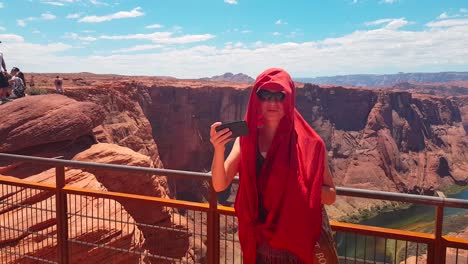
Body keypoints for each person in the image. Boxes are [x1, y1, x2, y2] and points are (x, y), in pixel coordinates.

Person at [210, 68, 336, 264]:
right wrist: (218, 150)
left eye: (279, 96)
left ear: (289, 99)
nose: (272, 102)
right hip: (259, 249)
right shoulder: (246, 142)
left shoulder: (311, 144)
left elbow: (330, 195)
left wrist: (299, 190)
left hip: (296, 249)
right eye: (265, 95)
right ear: (256, 100)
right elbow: (219, 184)